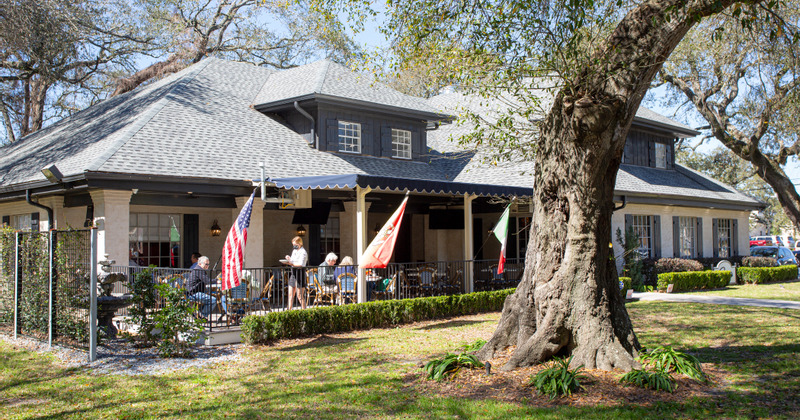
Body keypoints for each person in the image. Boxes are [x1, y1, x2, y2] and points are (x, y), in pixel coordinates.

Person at [283, 236, 308, 310]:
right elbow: (293, 260)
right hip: (293, 273)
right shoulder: (294, 251)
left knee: (299, 295)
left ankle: (304, 311)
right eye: (293, 245)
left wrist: (291, 264)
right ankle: (289, 311)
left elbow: (301, 264)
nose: (294, 246)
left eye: (295, 245)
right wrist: (288, 259)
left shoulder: (303, 252)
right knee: (290, 294)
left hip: (300, 272)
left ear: (300, 244)